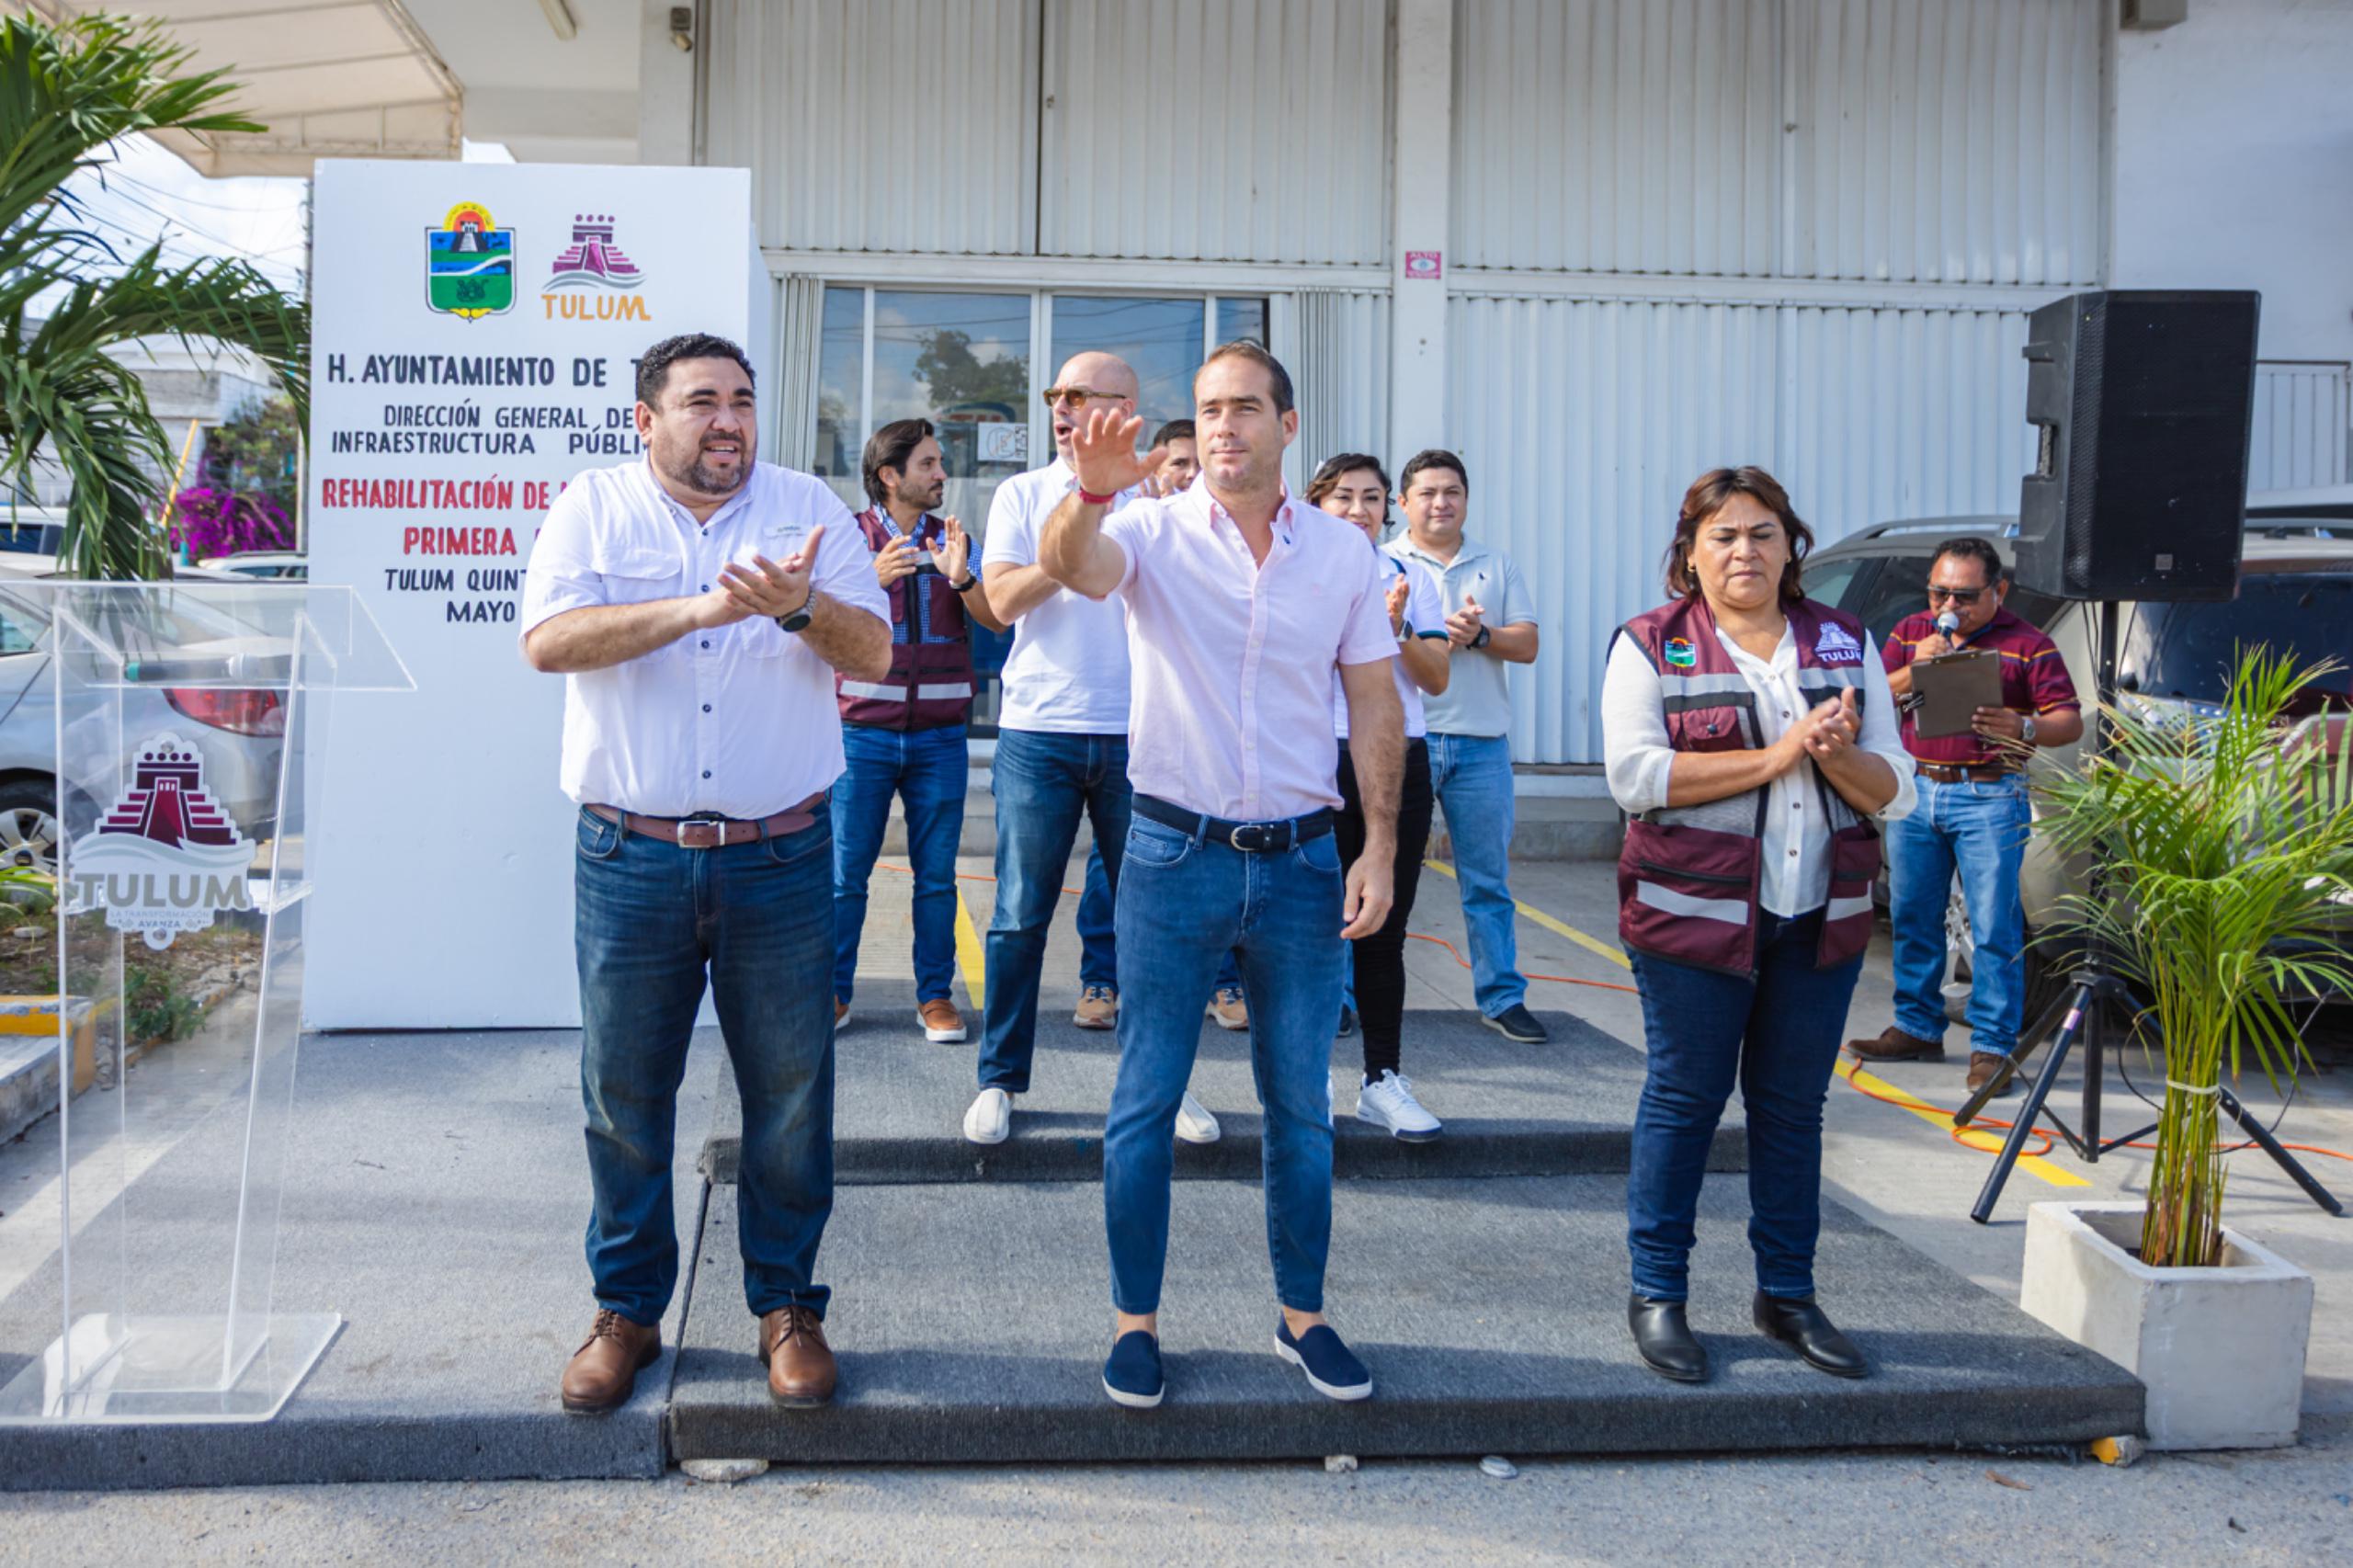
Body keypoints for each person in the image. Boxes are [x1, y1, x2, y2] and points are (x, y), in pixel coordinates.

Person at [520, 332, 890, 1414]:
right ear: (647, 419)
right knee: (624, 1091)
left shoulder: (805, 506)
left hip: (781, 853)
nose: (728, 419)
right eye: (701, 401)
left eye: (741, 399)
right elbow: (549, 641)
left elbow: (872, 654)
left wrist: (797, 605)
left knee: (791, 1091)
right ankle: (627, 1309)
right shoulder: (592, 507)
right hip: (628, 853)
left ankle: (788, 1305)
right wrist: (704, 608)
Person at [1038, 341, 1404, 1411]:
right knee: (1144, 1098)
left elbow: (1373, 700)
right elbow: (1072, 566)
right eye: (1207, 410)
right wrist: (1088, 491)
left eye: (1244, 407)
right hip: (1170, 853)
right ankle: (1135, 1323)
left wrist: (1379, 843)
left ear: (1287, 424)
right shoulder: (1147, 530)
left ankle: (1303, 1315)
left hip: (1302, 860)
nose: (1223, 427)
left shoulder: (1341, 553)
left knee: (1300, 1105)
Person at [1601, 466, 1914, 1386]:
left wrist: (1835, 756)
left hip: (1818, 917)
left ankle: (1787, 1293)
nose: (1745, 551)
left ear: (1791, 546)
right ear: (1691, 553)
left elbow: (1895, 788)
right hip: (1691, 920)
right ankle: (1658, 1291)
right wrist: (1776, 755)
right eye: (1724, 536)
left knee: (1791, 1110)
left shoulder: (1844, 640)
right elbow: (1635, 777)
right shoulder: (1650, 643)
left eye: (1762, 533)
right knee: (1685, 1100)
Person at [973, 352, 1218, 1147]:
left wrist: (1123, 504)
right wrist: (1083, 515)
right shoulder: (1021, 493)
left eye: (1081, 396)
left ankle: (1163, 1084)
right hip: (1039, 729)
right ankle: (999, 1079)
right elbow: (999, 603)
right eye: (1058, 395)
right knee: (1019, 915)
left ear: (1124, 408)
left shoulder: (1165, 500)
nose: (1063, 408)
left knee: (1153, 922)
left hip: (1144, 732)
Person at [1847, 538, 2083, 1096]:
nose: (1949, 605)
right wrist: (1916, 670)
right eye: (1939, 593)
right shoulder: (1912, 633)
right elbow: (1871, 699)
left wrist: (2024, 727)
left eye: (1965, 596)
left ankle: (1993, 1047)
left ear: (1999, 590)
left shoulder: (2029, 644)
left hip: (1990, 794)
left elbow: (2068, 720)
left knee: (1994, 925)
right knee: (1913, 915)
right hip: (1918, 790)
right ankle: (1917, 1027)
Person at [829, 419, 1009, 1044]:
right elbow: (815, 616)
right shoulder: (848, 539)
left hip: (940, 738)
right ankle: (833, 992)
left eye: (940, 463)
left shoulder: (956, 540)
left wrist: (963, 578)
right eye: (929, 464)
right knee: (845, 875)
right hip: (860, 735)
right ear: (890, 475)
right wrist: (868, 579)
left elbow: (996, 617)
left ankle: (934, 996)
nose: (942, 475)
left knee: (936, 878)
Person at [1386, 451, 1548, 1044]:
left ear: (1466, 499)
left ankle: (1502, 997)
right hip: (1405, 741)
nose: (1441, 503)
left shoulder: (1495, 564)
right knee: (1382, 876)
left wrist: (1481, 635)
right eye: (1427, 493)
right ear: (1403, 503)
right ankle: (1351, 995)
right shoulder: (1384, 563)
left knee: (1487, 883)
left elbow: (1527, 644)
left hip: (1481, 747)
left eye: (1452, 491)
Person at [1310, 453, 1449, 1139]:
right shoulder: (1295, 568)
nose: (1359, 510)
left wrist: (1396, 629)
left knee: (1383, 928)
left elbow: (1437, 677)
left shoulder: (1409, 576)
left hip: (1397, 759)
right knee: (1306, 929)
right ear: (1316, 503)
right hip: (1313, 757)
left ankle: (1382, 1079)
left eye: (1371, 498)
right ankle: (1303, 1079)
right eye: (1343, 496)